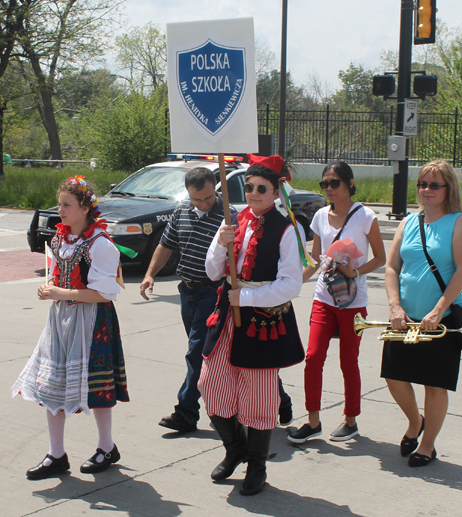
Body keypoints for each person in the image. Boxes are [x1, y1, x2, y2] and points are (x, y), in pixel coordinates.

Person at [198, 154, 305, 496]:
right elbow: (212, 272)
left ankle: (257, 465)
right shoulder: (233, 222)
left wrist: (243, 299)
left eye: (262, 188)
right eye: (249, 187)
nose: (254, 193)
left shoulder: (288, 228)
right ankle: (235, 448)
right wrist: (221, 243)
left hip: (262, 321)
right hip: (228, 318)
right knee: (210, 386)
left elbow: (291, 285)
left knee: (259, 398)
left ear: (276, 192)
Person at [11, 175, 129, 479]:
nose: (60, 210)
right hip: (61, 318)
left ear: (85, 208)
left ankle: (106, 446)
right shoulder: (60, 238)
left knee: (97, 386)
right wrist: (48, 285)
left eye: (66, 205)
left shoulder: (100, 244)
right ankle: (56, 453)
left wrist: (60, 293)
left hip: (92, 320)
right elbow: (55, 273)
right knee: (51, 382)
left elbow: (106, 293)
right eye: (60, 204)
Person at [382, 160, 462, 467]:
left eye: (435, 185)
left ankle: (428, 445)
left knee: (435, 385)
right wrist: (395, 305)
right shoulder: (408, 222)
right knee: (394, 377)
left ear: (448, 188)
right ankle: (414, 421)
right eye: (423, 184)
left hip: (441, 320)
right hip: (404, 318)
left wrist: (438, 310)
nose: (427, 190)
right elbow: (392, 267)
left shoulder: (458, 222)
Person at [287, 161, 386, 445]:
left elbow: (380, 257)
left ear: (350, 184)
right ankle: (313, 421)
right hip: (324, 297)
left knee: (348, 361)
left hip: (353, 301)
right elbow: (317, 259)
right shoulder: (319, 216)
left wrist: (355, 271)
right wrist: (294, 283)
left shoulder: (366, 217)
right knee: (313, 357)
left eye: (335, 183)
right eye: (324, 184)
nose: (329, 189)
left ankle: (350, 420)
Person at [140, 167, 226, 433]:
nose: (203, 203)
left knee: (197, 353)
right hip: (186, 292)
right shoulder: (181, 212)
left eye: (208, 198)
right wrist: (149, 274)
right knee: (212, 356)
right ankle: (272, 399)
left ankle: (186, 412)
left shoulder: (228, 216)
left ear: (216, 189)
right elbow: (166, 245)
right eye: (197, 199)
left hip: (213, 293)